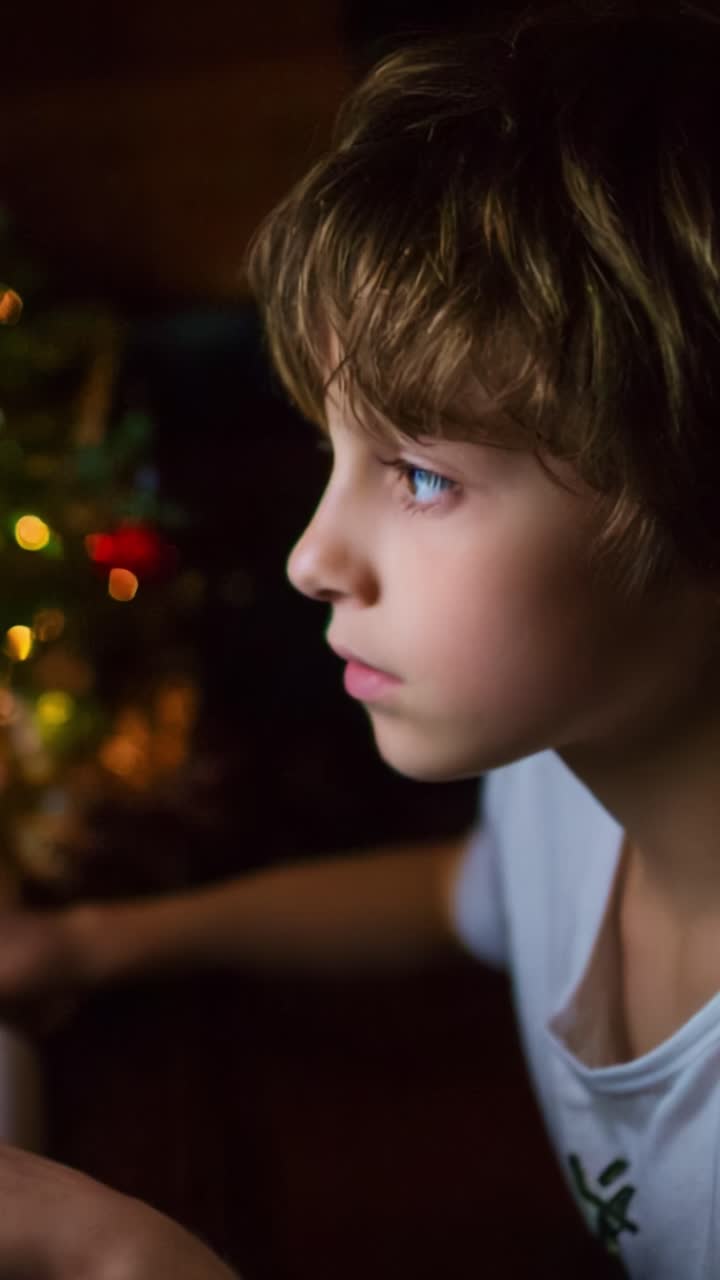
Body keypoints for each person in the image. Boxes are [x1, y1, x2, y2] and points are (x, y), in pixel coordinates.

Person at [1, 1, 720, 1274]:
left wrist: (132, 1255)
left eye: (423, 474)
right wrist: (103, 942)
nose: (309, 556)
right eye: (337, 448)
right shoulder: (569, 768)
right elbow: (469, 895)